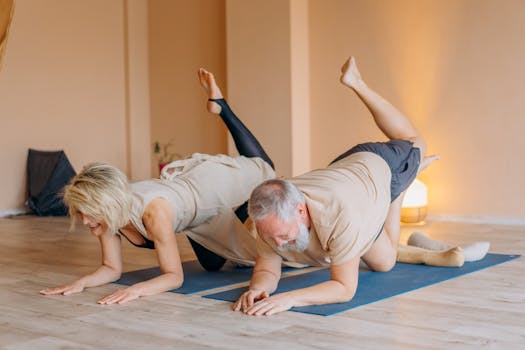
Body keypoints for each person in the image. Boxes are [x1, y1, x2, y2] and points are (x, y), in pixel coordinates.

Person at [233, 56, 463, 316]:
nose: (278, 244)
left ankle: (357, 83)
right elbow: (267, 268)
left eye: (283, 236)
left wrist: (288, 299)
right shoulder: (271, 216)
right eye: (271, 237)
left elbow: (343, 287)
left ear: (300, 211)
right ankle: (398, 189)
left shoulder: (339, 214)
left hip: (378, 164)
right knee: (385, 263)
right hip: (348, 180)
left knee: (415, 140)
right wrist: (257, 289)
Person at [40, 68, 281, 304]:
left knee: (265, 169)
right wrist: (80, 283)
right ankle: (238, 207)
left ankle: (221, 106)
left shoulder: (154, 212)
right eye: (81, 213)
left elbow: (174, 277)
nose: (84, 221)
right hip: (196, 218)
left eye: (88, 213)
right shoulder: (106, 219)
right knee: (212, 265)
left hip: (207, 188)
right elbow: (111, 268)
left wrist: (137, 290)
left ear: (107, 203)